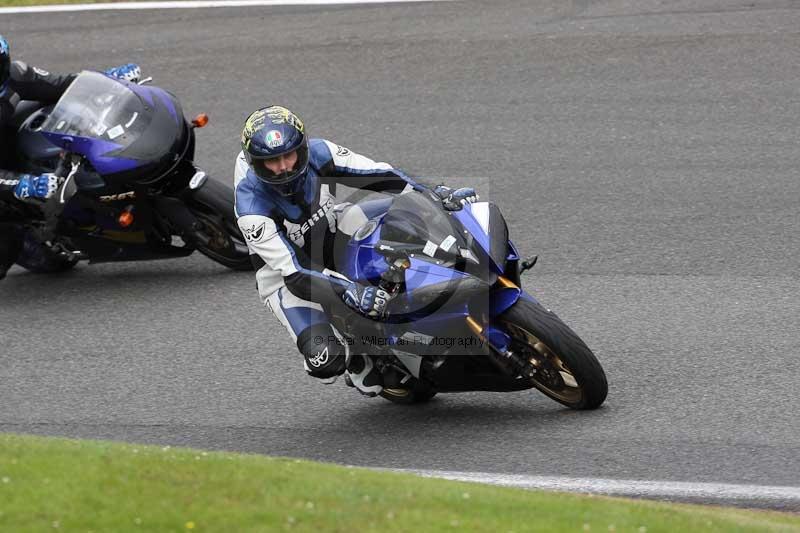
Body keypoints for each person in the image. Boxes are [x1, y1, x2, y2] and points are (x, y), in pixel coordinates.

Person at [234, 105, 478, 396]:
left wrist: (435, 192)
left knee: (407, 212)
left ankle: (456, 264)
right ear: (255, 164)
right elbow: (296, 273)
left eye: (289, 155)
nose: (284, 166)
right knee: (325, 361)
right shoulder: (251, 208)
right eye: (272, 161)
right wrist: (350, 289)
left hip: (332, 229)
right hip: (286, 277)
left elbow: (379, 174)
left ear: (302, 148)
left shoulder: (320, 153)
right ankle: (357, 357)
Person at [0, 33, 140, 279]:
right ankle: (26, 239)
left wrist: (108, 79)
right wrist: (22, 184)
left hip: (7, 143)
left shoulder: (15, 75)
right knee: (9, 242)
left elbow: (62, 84)